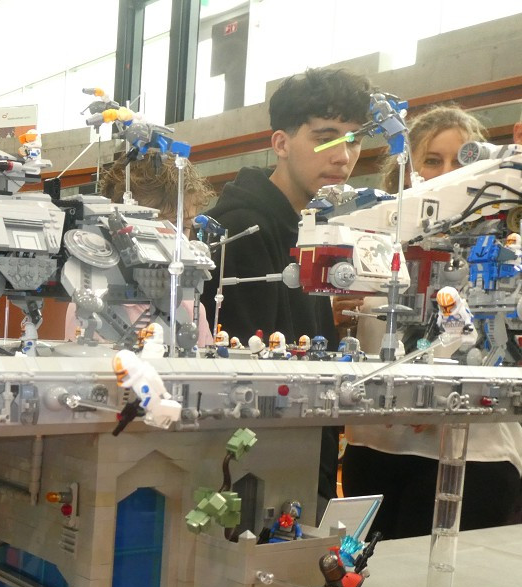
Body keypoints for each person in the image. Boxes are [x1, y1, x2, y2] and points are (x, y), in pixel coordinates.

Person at [342, 105, 522, 538]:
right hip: (376, 448)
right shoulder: (372, 240)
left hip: (475, 454)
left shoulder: (506, 251)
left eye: (460, 161)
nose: (446, 173)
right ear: (406, 171)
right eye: (432, 160)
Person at [199, 67, 372, 516]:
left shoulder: (309, 228)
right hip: (258, 470)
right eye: (325, 138)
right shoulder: (243, 228)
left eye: (354, 140)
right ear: (281, 143)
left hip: (304, 455)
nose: (343, 156)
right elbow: (248, 372)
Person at [64, 152, 216, 345]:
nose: (177, 242)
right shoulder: (88, 305)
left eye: (184, 227)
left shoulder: (190, 307)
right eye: (165, 227)